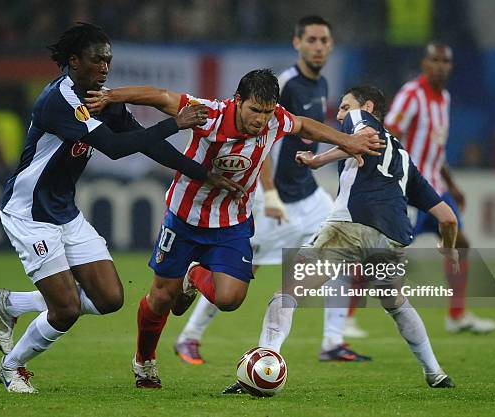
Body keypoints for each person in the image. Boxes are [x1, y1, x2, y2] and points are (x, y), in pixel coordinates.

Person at [85, 69, 385, 388]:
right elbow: (160, 96)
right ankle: (144, 362)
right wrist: (111, 95)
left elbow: (304, 123)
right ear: (237, 101)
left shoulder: (274, 121)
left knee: (230, 299)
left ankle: (193, 276)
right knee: (161, 298)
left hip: (231, 222)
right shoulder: (209, 114)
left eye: (267, 112)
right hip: (185, 218)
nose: (260, 119)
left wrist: (349, 141)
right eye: (255, 110)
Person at [0, 22, 243, 394]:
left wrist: (204, 174)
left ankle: (11, 304)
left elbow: (142, 143)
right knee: (67, 310)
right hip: (29, 214)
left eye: (108, 60)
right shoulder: (59, 101)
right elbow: (115, 148)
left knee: (109, 298)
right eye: (97, 60)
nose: (105, 67)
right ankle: (12, 367)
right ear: (73, 61)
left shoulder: (101, 99)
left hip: (64, 212)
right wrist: (176, 123)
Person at [224, 85, 459, 393]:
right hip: (391, 241)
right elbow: (447, 218)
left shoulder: (362, 120)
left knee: (287, 293)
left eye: (345, 106)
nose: (339, 114)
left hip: (348, 228)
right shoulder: (403, 159)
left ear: (368, 107)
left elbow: (357, 138)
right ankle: (435, 372)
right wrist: (448, 247)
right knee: (398, 305)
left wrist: (326, 153)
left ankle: (265, 365)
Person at [173, 15, 370, 366]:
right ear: (297, 43)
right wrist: (271, 194)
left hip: (308, 197)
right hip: (272, 199)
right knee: (241, 273)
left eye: (324, 40)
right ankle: (190, 336)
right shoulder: (287, 84)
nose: (319, 46)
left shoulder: (320, 84)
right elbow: (257, 142)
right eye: (311, 40)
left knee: (341, 254)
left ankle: (333, 341)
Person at [384, 42, 495, 334]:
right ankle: (345, 319)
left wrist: (453, 185)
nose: (441, 66)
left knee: (461, 244)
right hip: (410, 189)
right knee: (384, 253)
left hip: (437, 190)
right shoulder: (411, 95)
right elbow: (389, 134)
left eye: (446, 61)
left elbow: (437, 148)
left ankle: (456, 316)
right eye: (435, 60)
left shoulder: (444, 97)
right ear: (424, 63)